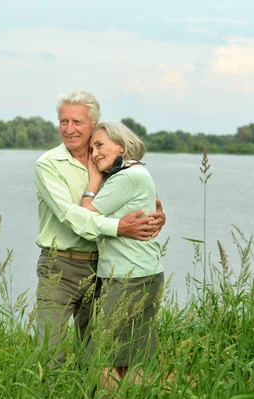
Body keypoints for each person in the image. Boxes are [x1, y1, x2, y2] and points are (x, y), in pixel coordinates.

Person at [34, 91, 165, 369]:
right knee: (50, 350)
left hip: (103, 270)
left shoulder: (108, 162)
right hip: (60, 265)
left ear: (93, 124)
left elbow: (134, 201)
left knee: (97, 351)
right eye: (63, 121)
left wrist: (155, 218)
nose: (69, 129)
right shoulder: (48, 165)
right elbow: (72, 216)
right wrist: (120, 228)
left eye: (77, 122)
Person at [79, 121, 164, 391]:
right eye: (91, 148)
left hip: (128, 276)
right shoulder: (140, 174)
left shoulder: (126, 177)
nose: (94, 154)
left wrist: (93, 182)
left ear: (122, 146)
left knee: (99, 354)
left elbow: (85, 216)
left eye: (100, 145)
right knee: (129, 357)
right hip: (145, 273)